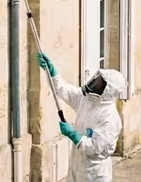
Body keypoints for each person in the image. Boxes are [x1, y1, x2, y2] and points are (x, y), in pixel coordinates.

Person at [38, 52, 126, 182]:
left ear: (108, 90)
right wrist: (51, 72)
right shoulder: (86, 99)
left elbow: (94, 147)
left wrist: (73, 134)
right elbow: (63, 90)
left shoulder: (110, 118)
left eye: (100, 83)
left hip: (94, 174)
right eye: (97, 79)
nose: (95, 83)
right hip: (76, 167)